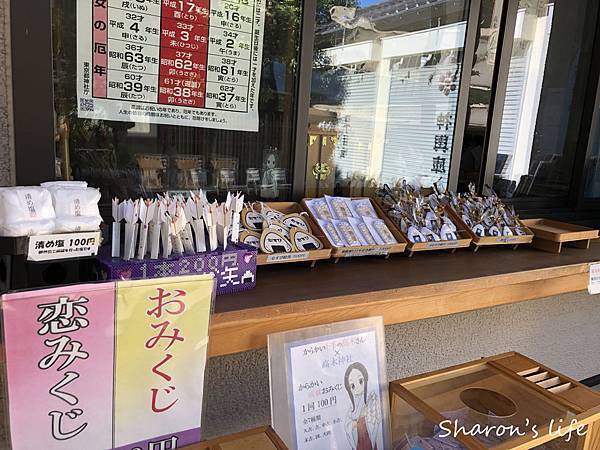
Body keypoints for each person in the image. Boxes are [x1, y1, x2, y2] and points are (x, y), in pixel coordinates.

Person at [344, 362, 381, 450]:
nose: (357, 387)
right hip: (358, 441)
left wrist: (368, 414)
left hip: (368, 437)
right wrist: (354, 423)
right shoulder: (352, 406)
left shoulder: (371, 397)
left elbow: (376, 416)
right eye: (352, 385)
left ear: (365, 379)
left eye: (360, 381)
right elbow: (347, 424)